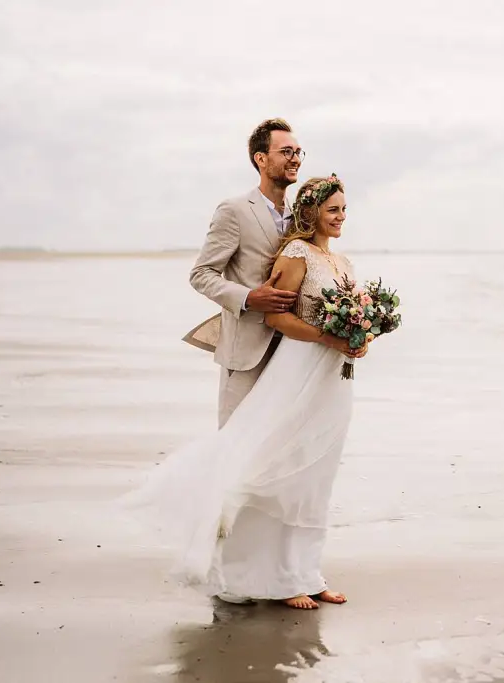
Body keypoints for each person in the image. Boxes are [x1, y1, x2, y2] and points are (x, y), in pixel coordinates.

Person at [123, 174, 366, 610]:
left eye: (344, 209)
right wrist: (329, 338)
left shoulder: (343, 261)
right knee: (282, 470)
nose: (340, 217)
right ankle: (278, 577)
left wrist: (362, 337)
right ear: (311, 213)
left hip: (336, 378)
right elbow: (278, 319)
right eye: (332, 210)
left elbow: (354, 315)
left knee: (318, 476)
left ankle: (310, 574)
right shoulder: (296, 254)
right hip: (300, 369)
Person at [189, 117, 303, 428]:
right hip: (245, 352)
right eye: (286, 152)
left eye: (298, 152)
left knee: (280, 445)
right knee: (234, 445)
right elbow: (202, 274)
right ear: (261, 158)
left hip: (294, 351)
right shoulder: (235, 210)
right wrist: (250, 298)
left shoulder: (303, 218)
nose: (295, 159)